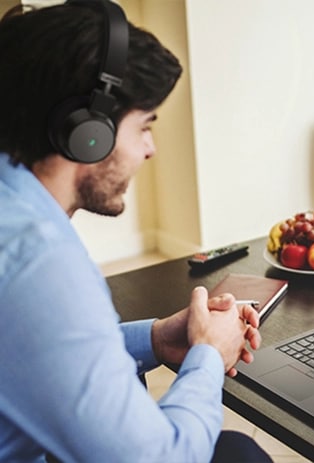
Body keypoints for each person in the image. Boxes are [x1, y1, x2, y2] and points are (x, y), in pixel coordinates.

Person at [0, 2, 271, 462]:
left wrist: (155, 338)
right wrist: (208, 354)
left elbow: (42, 351)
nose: (151, 148)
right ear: (87, 132)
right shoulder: (37, 263)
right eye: (143, 126)